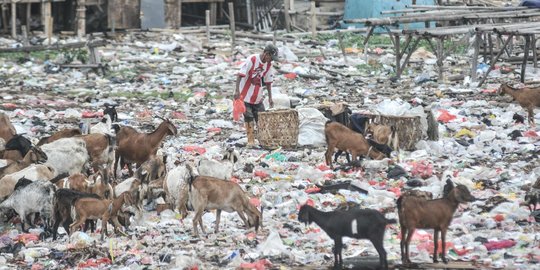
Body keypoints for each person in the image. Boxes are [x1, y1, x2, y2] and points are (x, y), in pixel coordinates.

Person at [234, 44, 278, 147]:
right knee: (249, 117)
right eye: (270, 58)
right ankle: (251, 141)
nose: (271, 60)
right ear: (266, 54)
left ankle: (263, 140)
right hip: (245, 95)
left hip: (257, 95)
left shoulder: (268, 65)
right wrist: (237, 91)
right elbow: (240, 75)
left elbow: (268, 81)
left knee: (261, 118)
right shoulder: (252, 59)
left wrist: (270, 97)